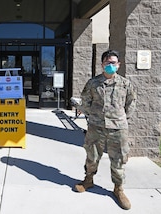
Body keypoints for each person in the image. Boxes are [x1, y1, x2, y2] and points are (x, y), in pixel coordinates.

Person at [74, 50, 136, 210]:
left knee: (119, 159)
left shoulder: (125, 84)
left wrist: (122, 119)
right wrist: (94, 116)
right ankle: (88, 180)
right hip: (96, 127)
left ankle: (118, 189)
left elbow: (131, 103)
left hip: (118, 128)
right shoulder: (93, 83)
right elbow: (85, 101)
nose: (111, 65)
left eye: (114, 63)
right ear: (102, 64)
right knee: (92, 156)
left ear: (119, 65)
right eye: (108, 63)